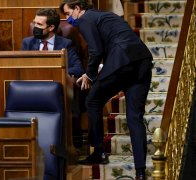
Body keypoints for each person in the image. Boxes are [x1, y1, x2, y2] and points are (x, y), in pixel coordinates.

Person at [60, 1, 153, 180]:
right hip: (142, 60)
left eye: (68, 13)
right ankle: (140, 171)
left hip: (121, 62)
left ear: (78, 9)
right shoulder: (105, 16)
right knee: (135, 117)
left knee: (93, 101)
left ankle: (99, 152)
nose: (67, 18)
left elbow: (95, 50)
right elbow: (111, 41)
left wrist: (89, 75)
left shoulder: (85, 19)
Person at [21, 8, 85, 78]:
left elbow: (78, 69)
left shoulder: (66, 44)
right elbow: (20, 67)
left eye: (39, 24)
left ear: (51, 27)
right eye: (34, 23)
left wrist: (53, 72)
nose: (35, 27)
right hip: (33, 81)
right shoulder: (27, 43)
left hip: (56, 82)